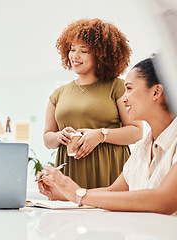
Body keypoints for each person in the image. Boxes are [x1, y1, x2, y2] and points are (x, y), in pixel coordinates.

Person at [38, 57, 177, 218]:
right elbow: (112, 191)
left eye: (129, 89)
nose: (124, 98)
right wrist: (64, 193)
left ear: (156, 92)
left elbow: (164, 200)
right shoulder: (144, 148)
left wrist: (78, 194)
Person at [43, 18, 143, 188]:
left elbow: (136, 132)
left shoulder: (117, 87)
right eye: (72, 49)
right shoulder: (58, 94)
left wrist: (101, 135)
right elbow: (47, 138)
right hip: (70, 171)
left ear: (101, 54)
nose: (75, 56)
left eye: (84, 50)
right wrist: (59, 136)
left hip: (110, 170)